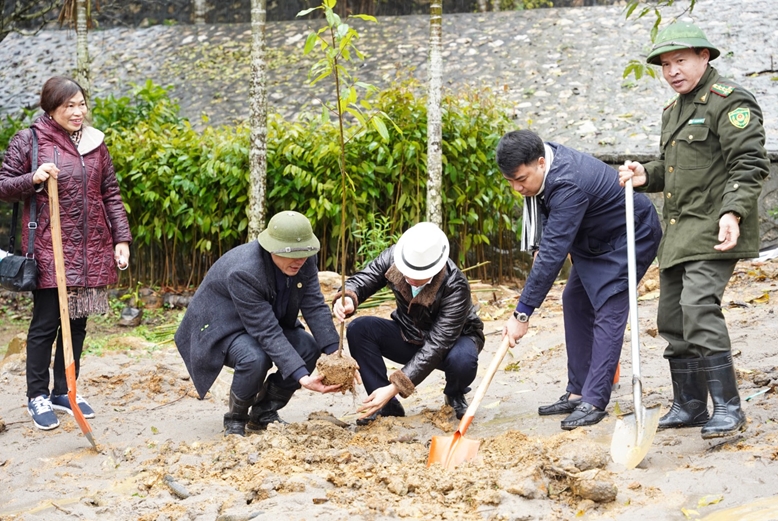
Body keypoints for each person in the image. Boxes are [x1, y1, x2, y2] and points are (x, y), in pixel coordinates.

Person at [618, 22, 769, 439]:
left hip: (715, 224)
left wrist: (733, 213)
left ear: (705, 56)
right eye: (665, 64)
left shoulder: (730, 101)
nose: (672, 71)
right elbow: (674, 171)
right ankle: (689, 404)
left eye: (680, 60)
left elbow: (750, 164)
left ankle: (729, 408)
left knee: (699, 306)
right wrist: (643, 174)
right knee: (672, 318)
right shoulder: (674, 111)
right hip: (680, 232)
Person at [496, 130, 662, 430]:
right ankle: (578, 391)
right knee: (574, 300)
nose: (517, 188)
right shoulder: (547, 166)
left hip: (630, 233)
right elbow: (548, 221)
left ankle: (595, 400)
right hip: (594, 238)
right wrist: (539, 246)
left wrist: (522, 314)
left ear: (541, 163)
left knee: (609, 307)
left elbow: (553, 254)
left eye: (521, 179)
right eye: (510, 181)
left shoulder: (568, 182)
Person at [0, 76, 132, 431]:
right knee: (45, 325)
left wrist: (121, 238)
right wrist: (34, 178)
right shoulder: (29, 140)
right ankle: (37, 396)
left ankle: (64, 390)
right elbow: (3, 186)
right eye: (68, 106)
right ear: (51, 109)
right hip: (50, 247)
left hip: (91, 249)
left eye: (81, 104)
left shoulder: (95, 143)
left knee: (78, 323)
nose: (78, 112)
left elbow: (111, 194)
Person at [175, 210, 354, 436]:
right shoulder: (244, 271)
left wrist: (337, 354)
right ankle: (236, 419)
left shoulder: (304, 259)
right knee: (254, 358)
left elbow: (314, 305)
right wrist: (303, 378)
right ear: (272, 249)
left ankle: (263, 412)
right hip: (224, 327)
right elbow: (266, 331)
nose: (300, 260)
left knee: (308, 349)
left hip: (265, 320)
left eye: (305, 253)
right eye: (292, 254)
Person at [332, 222, 484, 424]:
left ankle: (454, 394)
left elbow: (438, 345)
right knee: (360, 329)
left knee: (463, 360)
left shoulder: (456, 285)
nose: (411, 278)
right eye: (407, 272)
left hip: (452, 343)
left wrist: (396, 385)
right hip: (409, 333)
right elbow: (363, 280)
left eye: (419, 276)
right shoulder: (394, 256)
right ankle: (386, 405)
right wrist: (348, 298)